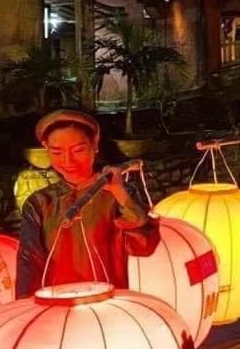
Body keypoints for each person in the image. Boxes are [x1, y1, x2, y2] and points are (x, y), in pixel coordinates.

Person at [16, 110, 160, 297]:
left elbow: (144, 246)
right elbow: (29, 264)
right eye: (56, 152)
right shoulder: (40, 203)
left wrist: (119, 193)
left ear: (95, 146)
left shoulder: (119, 194)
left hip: (108, 305)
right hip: (57, 309)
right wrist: (27, 311)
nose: (68, 161)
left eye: (78, 150)